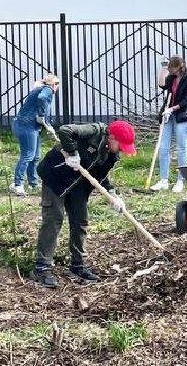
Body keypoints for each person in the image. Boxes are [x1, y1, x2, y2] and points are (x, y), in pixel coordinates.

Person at [32, 120, 136, 288]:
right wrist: (72, 153)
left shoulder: (112, 155)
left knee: (80, 221)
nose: (122, 150)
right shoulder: (94, 131)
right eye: (121, 145)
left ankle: (78, 265)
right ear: (112, 137)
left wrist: (113, 195)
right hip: (56, 175)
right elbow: (65, 129)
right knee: (54, 219)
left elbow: (101, 176)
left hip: (78, 183)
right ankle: (42, 267)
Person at [11, 73, 60, 195]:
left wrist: (48, 125)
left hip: (29, 125)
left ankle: (33, 183)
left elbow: (40, 108)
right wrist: (42, 116)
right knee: (28, 155)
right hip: (26, 126)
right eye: (57, 84)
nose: (57, 87)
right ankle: (18, 184)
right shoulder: (47, 90)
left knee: (35, 156)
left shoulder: (40, 89)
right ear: (54, 84)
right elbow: (42, 99)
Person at [156, 55, 187, 193]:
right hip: (169, 115)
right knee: (163, 147)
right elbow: (162, 84)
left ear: (178, 67)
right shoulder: (171, 78)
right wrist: (162, 68)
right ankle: (163, 180)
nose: (169, 70)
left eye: (170, 68)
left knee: (181, 148)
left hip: (182, 116)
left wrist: (173, 109)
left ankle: (181, 180)